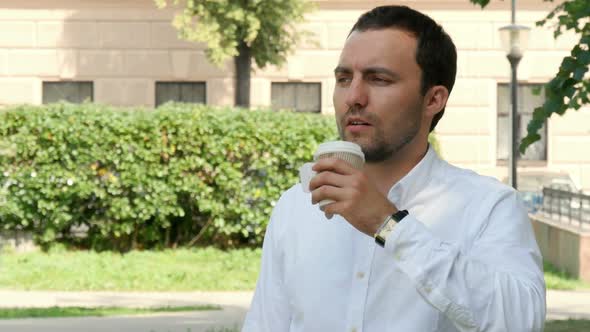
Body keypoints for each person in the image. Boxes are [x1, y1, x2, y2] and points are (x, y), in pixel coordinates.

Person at [242, 5, 546, 332]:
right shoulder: (297, 205)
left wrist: (389, 225)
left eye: (379, 79)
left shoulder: (488, 207)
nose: (353, 97)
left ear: (433, 100)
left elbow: (519, 321)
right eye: (344, 78)